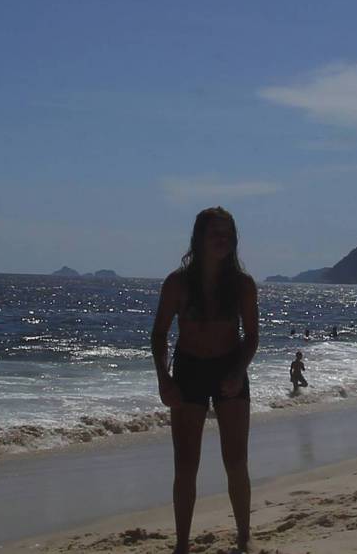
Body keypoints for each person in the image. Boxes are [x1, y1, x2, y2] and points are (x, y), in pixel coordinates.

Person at [150, 207, 259, 554]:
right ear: (198, 237)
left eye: (227, 232)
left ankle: (243, 536)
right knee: (185, 464)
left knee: (236, 461)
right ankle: (182, 544)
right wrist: (164, 379)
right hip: (189, 371)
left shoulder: (242, 285)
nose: (222, 238)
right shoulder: (177, 283)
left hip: (230, 367)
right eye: (215, 231)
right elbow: (159, 334)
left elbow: (252, 336)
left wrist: (238, 371)